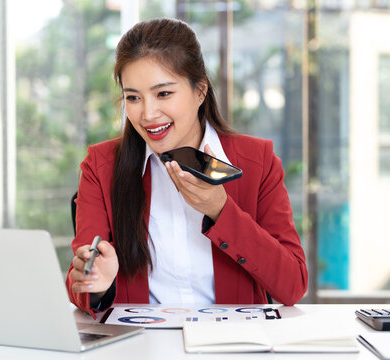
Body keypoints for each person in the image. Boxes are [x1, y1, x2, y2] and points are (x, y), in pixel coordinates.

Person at [66, 18, 307, 316]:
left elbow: (293, 285)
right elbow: (80, 282)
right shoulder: (101, 167)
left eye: (163, 93)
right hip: (143, 345)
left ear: (200, 91)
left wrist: (222, 210)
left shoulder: (258, 161)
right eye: (133, 98)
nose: (148, 113)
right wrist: (97, 282)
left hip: (232, 345)